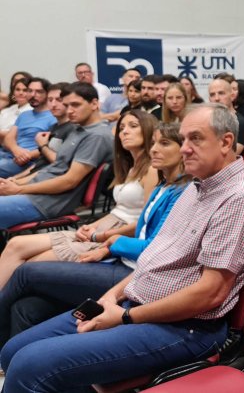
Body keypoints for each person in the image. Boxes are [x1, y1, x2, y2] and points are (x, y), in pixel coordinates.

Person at [0, 103, 244, 391]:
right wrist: (110, 298)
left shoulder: (239, 198)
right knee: (11, 352)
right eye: (183, 140)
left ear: (226, 142)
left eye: (196, 138)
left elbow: (211, 293)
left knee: (29, 366)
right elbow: (156, 256)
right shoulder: (197, 187)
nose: (185, 149)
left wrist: (126, 317)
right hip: (136, 304)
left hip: (184, 327)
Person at [0, 121, 190, 343]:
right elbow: (142, 231)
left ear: (185, 148)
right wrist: (106, 247)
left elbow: (154, 247)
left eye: (164, 143)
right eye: (155, 142)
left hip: (135, 272)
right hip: (122, 259)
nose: (154, 149)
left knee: (26, 271)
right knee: (26, 305)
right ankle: (8, 355)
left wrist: (111, 241)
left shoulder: (181, 191)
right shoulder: (164, 185)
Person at [0, 109, 158, 287]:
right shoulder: (128, 167)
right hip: (104, 227)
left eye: (133, 126)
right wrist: (91, 225)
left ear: (148, 130)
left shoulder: (151, 170)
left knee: (28, 265)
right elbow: (119, 210)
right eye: (121, 128)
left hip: (119, 235)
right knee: (15, 244)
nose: (124, 131)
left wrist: (101, 235)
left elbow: (146, 222)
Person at [0, 83, 113, 229]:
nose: (70, 111)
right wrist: (14, 183)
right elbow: (53, 167)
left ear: (94, 104)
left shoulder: (97, 136)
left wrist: (18, 189)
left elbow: (69, 181)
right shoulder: (77, 129)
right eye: (67, 105)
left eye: (75, 105)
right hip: (34, 193)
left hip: (46, 202)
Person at [0, 78, 56, 178]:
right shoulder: (24, 115)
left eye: (38, 91)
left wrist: (26, 155)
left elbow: (51, 147)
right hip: (11, 154)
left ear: (47, 94)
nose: (33, 95)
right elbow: (9, 138)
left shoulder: (53, 117)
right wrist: (15, 150)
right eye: (30, 91)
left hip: (29, 161)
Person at [206, 77, 244, 155]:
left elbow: (231, 155)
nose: (216, 98)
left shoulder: (241, 123)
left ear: (232, 96)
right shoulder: (208, 121)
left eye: (221, 93)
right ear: (209, 99)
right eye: (212, 95)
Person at [0, 79, 32, 144]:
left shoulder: (31, 110)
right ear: (13, 92)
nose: (21, 93)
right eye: (18, 90)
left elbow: (19, 134)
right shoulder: (8, 109)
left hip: (16, 148)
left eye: (25, 90)